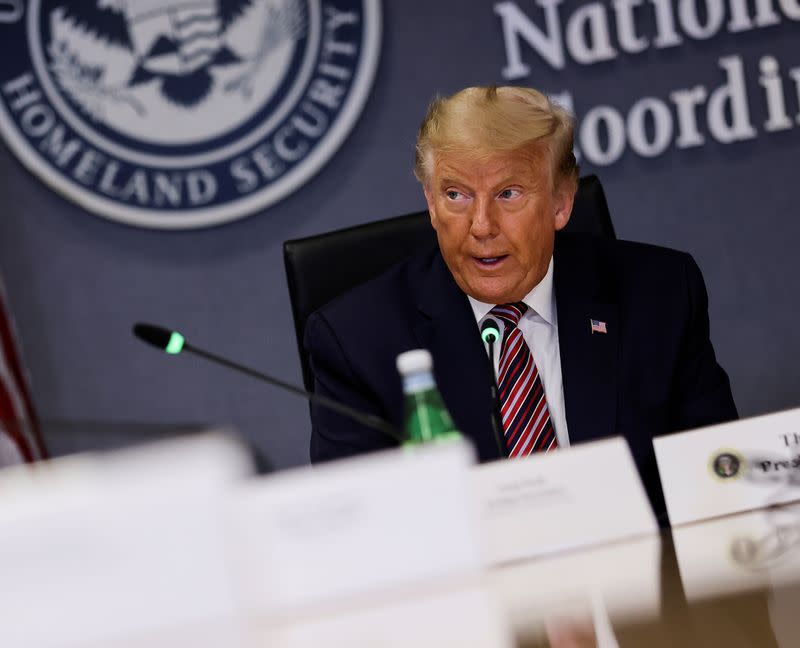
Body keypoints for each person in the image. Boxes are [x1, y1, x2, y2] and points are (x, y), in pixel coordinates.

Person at [304, 85, 737, 520]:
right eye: (456, 195)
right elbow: (359, 532)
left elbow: (721, 479)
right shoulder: (356, 343)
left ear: (561, 202)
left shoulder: (658, 295)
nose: (481, 225)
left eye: (508, 193)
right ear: (431, 204)